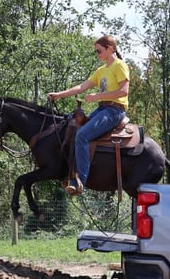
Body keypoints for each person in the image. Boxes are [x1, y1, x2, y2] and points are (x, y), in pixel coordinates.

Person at [47, 35, 129, 196]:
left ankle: (80, 182)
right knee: (72, 129)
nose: (96, 54)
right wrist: (59, 95)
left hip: (114, 111)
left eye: (99, 51)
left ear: (109, 49)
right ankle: (70, 173)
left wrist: (98, 96)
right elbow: (81, 87)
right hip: (102, 109)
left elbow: (124, 91)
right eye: (95, 51)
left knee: (83, 135)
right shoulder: (101, 71)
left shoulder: (120, 66)